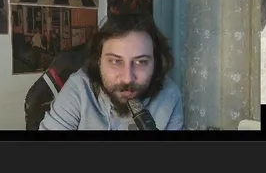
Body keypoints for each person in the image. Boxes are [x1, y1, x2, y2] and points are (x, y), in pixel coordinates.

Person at [39, 15, 184, 131]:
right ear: (98, 61)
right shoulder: (79, 88)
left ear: (156, 64)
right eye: (115, 61)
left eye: (141, 62)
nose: (127, 78)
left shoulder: (170, 96)